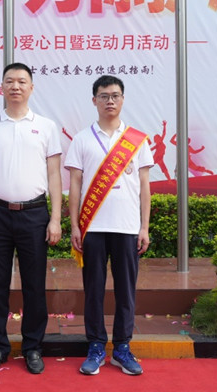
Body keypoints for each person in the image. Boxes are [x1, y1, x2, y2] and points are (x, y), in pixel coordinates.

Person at [0, 62, 63, 375]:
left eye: (22, 81)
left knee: (34, 286)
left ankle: (33, 347)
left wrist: (55, 218)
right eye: (10, 81)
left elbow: (54, 175)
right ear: (1, 87)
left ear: (31, 88)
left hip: (34, 215)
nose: (15, 87)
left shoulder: (46, 127)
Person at [64, 75, 153, 376]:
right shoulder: (82, 139)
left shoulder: (136, 140)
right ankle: (96, 346)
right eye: (104, 96)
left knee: (126, 290)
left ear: (123, 99)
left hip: (127, 227)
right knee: (94, 290)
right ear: (94, 100)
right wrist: (75, 225)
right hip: (93, 227)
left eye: (115, 95)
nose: (110, 101)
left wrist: (144, 227)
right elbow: (75, 185)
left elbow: (144, 186)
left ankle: (122, 347)